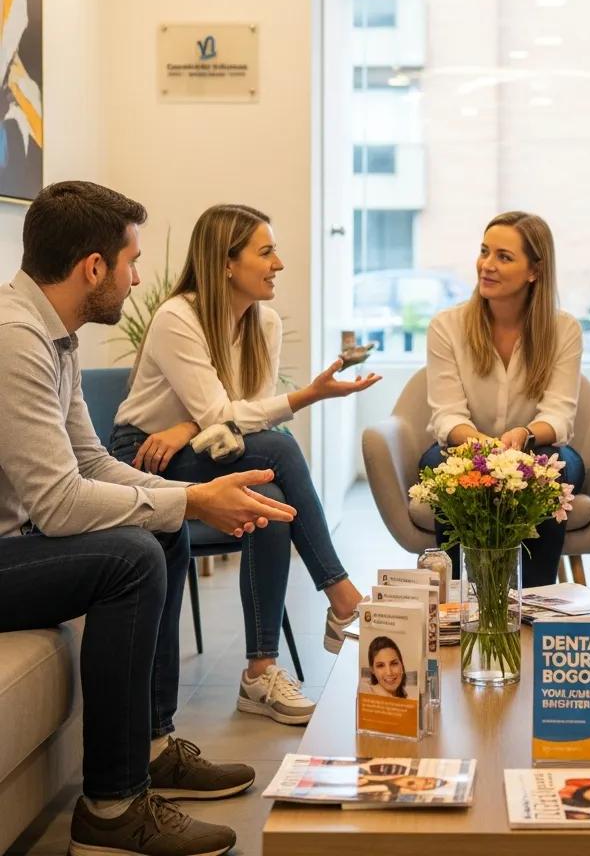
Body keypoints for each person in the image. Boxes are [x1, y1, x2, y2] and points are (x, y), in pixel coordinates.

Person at [0, 181, 298, 856]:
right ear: (93, 268)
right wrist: (192, 499)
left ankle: (154, 745)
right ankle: (111, 808)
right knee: (131, 557)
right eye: (130, 262)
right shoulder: (15, 340)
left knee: (153, 528)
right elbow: (60, 502)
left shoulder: (55, 334)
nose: (139, 280)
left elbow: (93, 465)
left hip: (16, 540)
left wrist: (189, 499)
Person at [111, 204, 380, 726]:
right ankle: (342, 597)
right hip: (145, 456)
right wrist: (304, 397)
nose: (278, 262)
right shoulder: (178, 318)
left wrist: (189, 426)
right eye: (266, 251)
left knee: (272, 499)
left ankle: (260, 671)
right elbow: (225, 414)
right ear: (226, 263)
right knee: (279, 449)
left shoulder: (266, 322)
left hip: (195, 447)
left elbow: (236, 421)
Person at [422, 211, 584, 587]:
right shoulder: (447, 326)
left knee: (547, 477)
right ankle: (459, 605)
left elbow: (559, 414)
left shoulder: (564, 329)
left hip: (538, 448)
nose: (487, 266)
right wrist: (484, 449)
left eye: (504, 257)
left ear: (535, 271)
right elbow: (446, 415)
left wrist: (522, 436)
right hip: (464, 447)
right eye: (484, 252)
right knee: (449, 473)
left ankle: (536, 604)